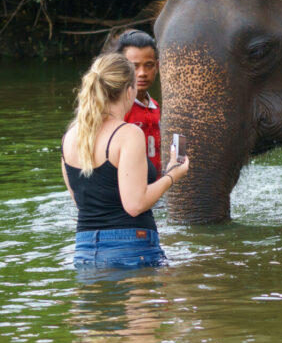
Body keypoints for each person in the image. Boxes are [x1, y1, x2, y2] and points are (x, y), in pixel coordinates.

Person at [61, 53, 189, 269]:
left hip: (84, 251)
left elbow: (81, 201)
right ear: (130, 91)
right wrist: (172, 175)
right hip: (133, 247)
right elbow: (135, 204)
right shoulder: (128, 134)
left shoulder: (70, 137)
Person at [115, 30, 162, 173]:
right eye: (134, 66)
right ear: (120, 67)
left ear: (158, 67)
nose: (142, 73)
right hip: (127, 188)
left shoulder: (155, 106)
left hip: (156, 187)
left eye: (149, 65)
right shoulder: (117, 108)